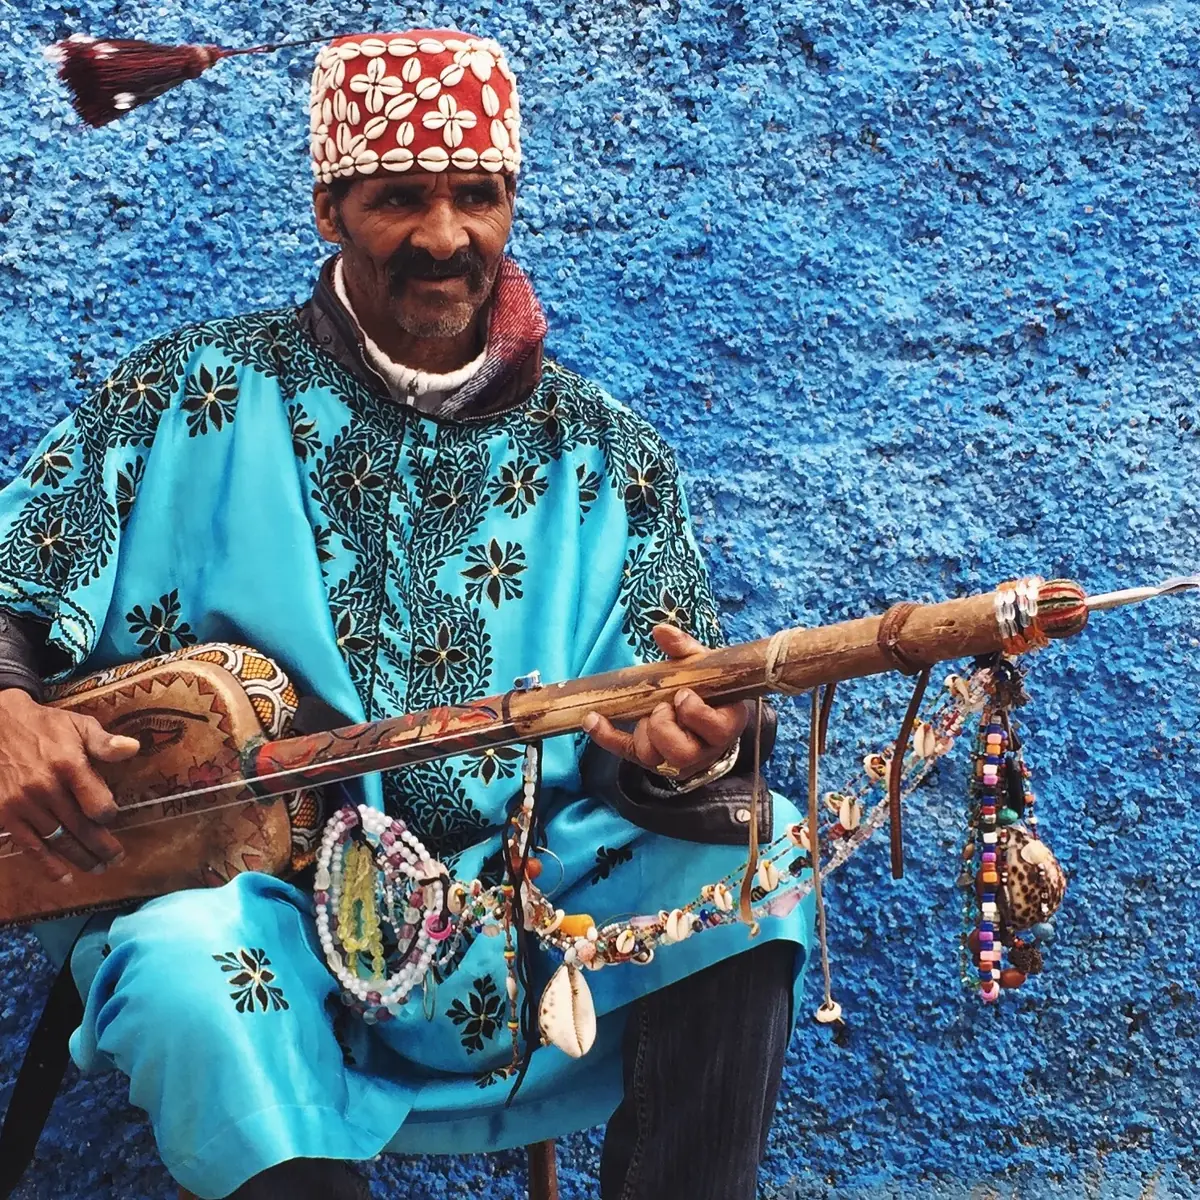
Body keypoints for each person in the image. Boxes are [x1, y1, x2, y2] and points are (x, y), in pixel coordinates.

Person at [0, 30, 810, 1200]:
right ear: (330, 207)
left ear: (511, 202)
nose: (444, 237)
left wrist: (689, 753)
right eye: (399, 199)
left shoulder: (609, 459)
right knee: (192, 977)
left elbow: (676, 715)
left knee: (755, 858)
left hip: (518, 900)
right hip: (252, 906)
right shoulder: (187, 393)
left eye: (475, 197)